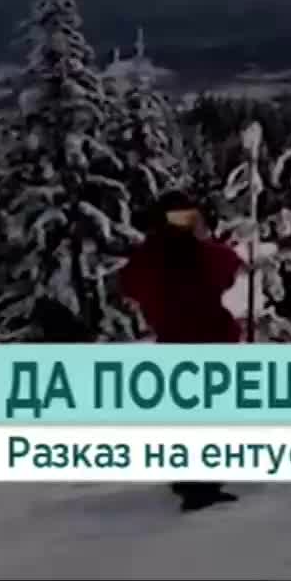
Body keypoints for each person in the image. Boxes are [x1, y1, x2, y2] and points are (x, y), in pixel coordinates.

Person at [118, 189, 243, 513]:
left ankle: (186, 478)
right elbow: (228, 267)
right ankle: (200, 489)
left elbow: (131, 284)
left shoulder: (150, 256)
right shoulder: (196, 254)